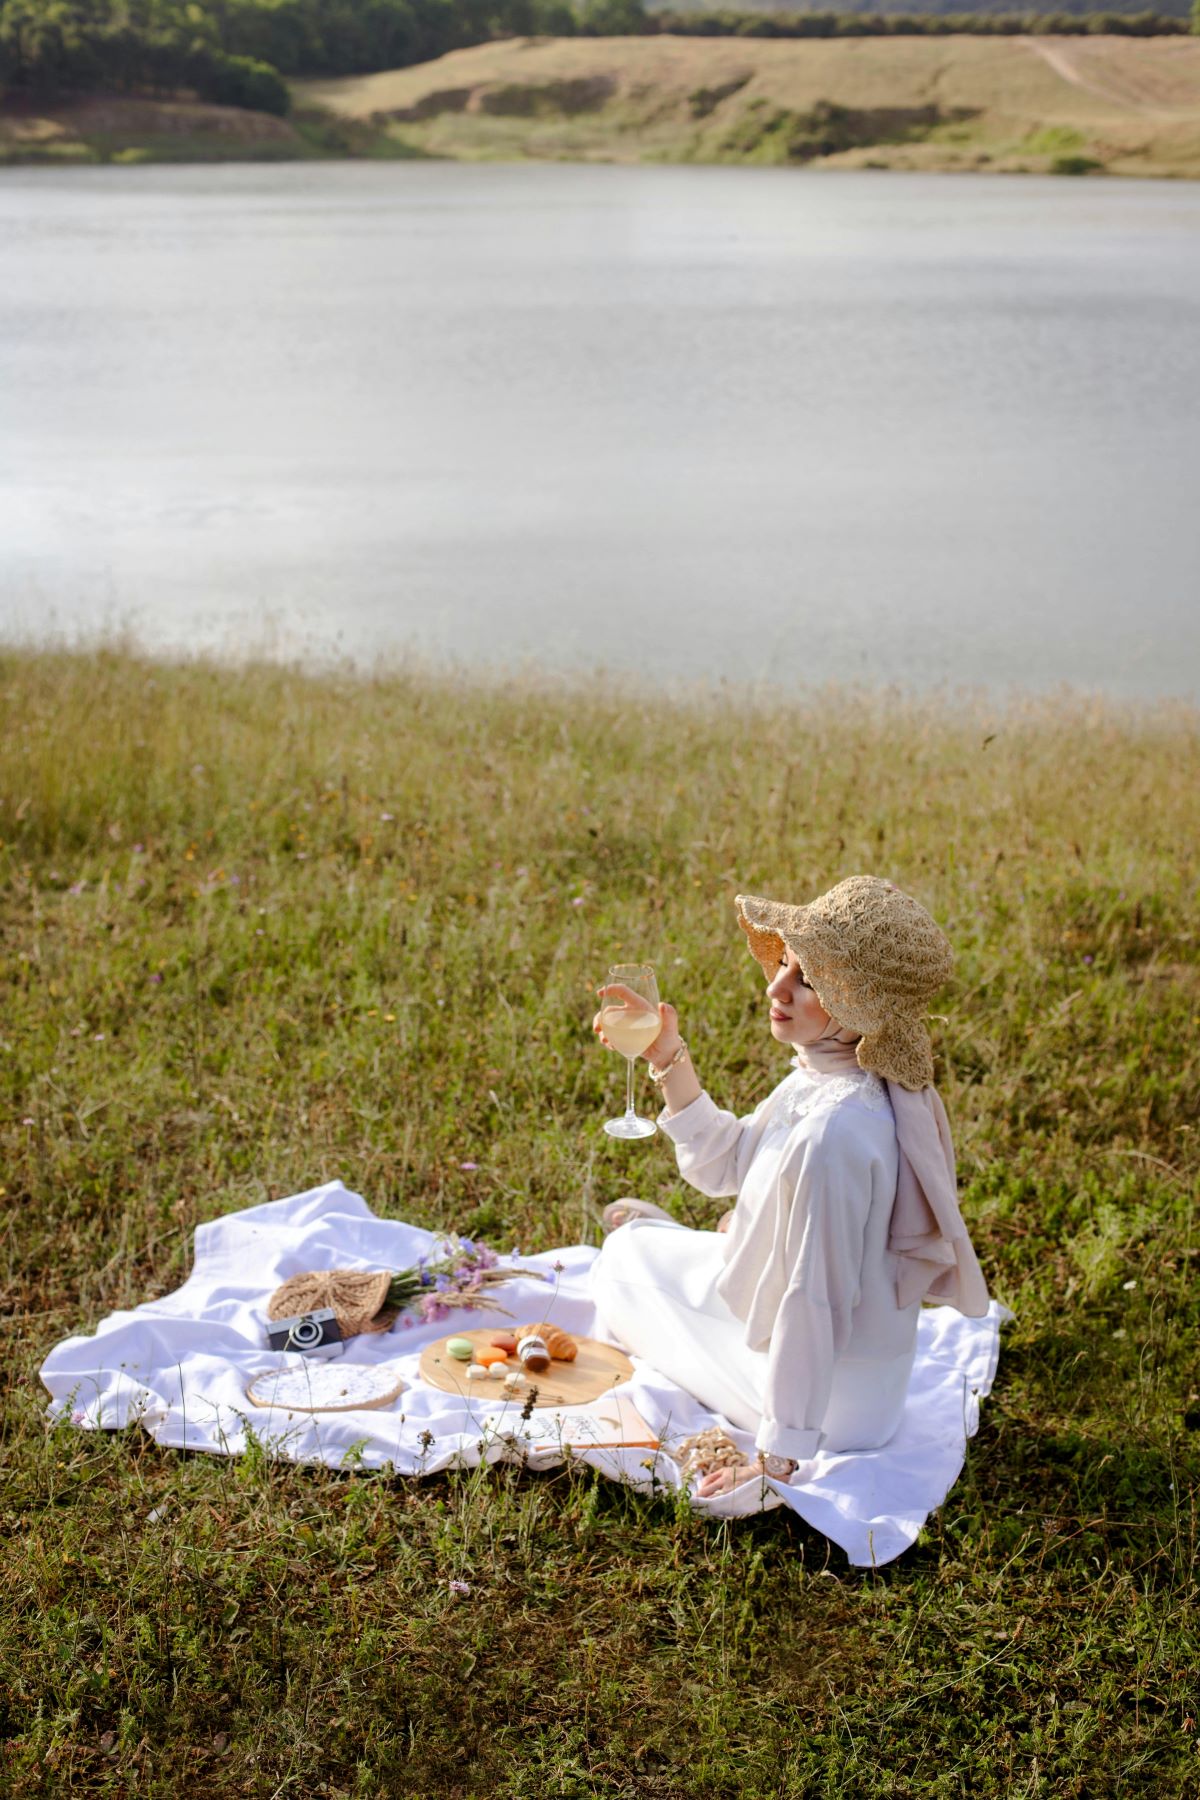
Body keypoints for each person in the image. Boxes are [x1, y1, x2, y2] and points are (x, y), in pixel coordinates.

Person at [589, 875, 990, 1500]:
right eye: (786, 964)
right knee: (648, 1251)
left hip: (834, 1408)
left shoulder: (835, 1132)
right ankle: (680, 1239)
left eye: (807, 979)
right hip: (863, 1371)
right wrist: (667, 1055)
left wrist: (775, 1459)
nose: (776, 986)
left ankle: (659, 1241)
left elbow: (813, 1301)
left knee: (617, 1266)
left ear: (856, 1002)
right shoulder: (839, 1077)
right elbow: (729, 1165)